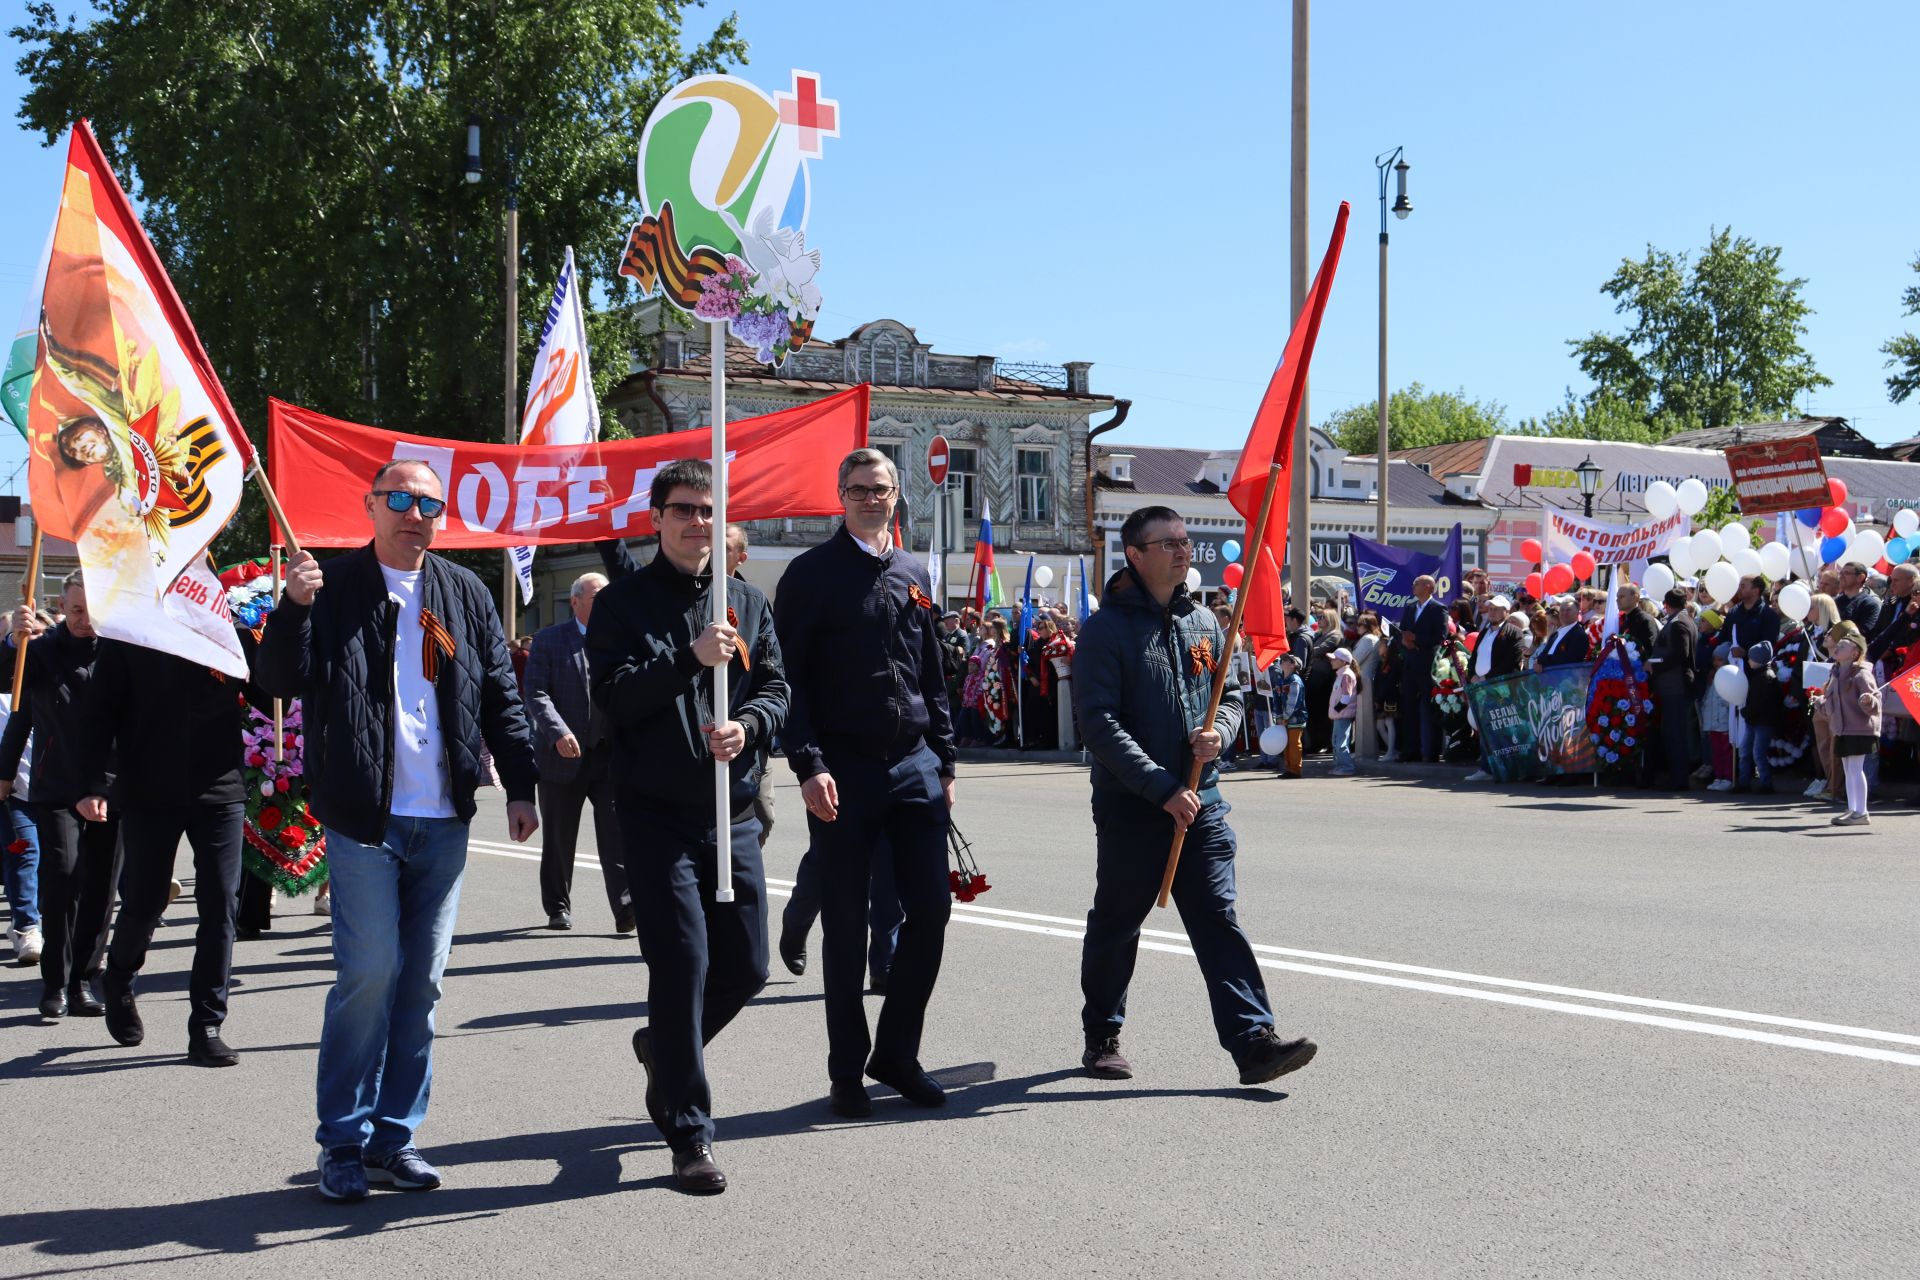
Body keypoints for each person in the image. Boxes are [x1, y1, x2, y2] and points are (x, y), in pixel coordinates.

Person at [259, 458, 540, 1203]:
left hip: (443, 819)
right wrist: (290, 609)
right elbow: (278, 682)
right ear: (371, 505)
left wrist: (522, 784)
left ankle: (396, 1138)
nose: (416, 513)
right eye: (400, 499)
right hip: (362, 819)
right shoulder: (333, 589)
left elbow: (499, 692)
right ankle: (341, 1142)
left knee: (421, 985)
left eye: (429, 502)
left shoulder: (464, 591)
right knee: (370, 973)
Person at [585, 459, 786, 1195]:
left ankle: (662, 1051)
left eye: (708, 510)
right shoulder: (622, 605)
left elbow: (776, 686)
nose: (698, 522)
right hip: (655, 815)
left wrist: (751, 725)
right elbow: (614, 696)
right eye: (684, 510)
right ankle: (690, 1133)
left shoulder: (746, 602)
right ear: (658, 517)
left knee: (749, 968)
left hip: (730, 812)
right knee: (680, 967)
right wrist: (687, 659)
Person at [1074, 504, 1315, 1087]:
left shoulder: (1206, 623)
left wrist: (1221, 732)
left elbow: (1229, 695)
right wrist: (1161, 788)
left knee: (1216, 918)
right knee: (1118, 922)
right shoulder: (1106, 630)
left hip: (1202, 805)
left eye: (1185, 542)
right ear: (1135, 555)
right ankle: (1102, 1034)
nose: (1184, 552)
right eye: (1168, 544)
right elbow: (1099, 725)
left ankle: (1253, 1041)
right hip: (1135, 808)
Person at [774, 447, 957, 1119]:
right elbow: (785, 681)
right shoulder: (810, 574)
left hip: (913, 766)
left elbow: (931, 671)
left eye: (879, 488)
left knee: (930, 913)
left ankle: (897, 1054)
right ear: (839, 494)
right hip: (842, 770)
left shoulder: (912, 571)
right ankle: (847, 1072)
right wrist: (808, 764)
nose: (869, 498)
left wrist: (946, 759)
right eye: (857, 488)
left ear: (895, 494)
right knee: (847, 929)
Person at [73, 621, 264, 1066]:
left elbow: (274, 693)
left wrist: (288, 623)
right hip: (148, 792)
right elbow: (99, 714)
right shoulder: (130, 636)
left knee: (220, 904)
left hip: (220, 790)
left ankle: (207, 1025)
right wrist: (92, 784)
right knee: (145, 901)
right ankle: (119, 976)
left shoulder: (229, 634)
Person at [4, 573, 119, 1020]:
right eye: (75, 611)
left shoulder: (122, 651)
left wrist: (103, 789)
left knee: (101, 890)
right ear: (61, 605)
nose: (85, 620)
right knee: (64, 877)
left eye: (93, 611)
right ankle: (54, 981)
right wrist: (15, 641)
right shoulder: (42, 650)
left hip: (111, 789)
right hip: (55, 787)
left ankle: (84, 980)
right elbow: (16, 702)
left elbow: (132, 727)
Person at [525, 572, 632, 935]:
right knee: (559, 838)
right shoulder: (550, 640)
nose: (605, 601)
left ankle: (625, 908)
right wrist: (558, 732)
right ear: (576, 602)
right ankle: (557, 907)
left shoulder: (619, 640)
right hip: (562, 757)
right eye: (597, 595)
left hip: (609, 756)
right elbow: (536, 693)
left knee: (617, 836)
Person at [1816, 631, 1879, 827]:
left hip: (1859, 729)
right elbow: (1832, 702)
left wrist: (1868, 701)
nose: (1836, 648)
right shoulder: (1834, 673)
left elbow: (1875, 701)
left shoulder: (1861, 674)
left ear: (1854, 653)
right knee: (1847, 769)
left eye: (1842, 646)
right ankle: (1853, 809)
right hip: (1841, 728)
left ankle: (1861, 811)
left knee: (1855, 769)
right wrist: (1820, 703)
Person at [0, 692, 43, 967]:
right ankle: (27, 928)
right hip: (12, 792)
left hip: (52, 787)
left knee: (59, 860)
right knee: (25, 853)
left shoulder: (40, 681)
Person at [1463, 595, 1525, 782]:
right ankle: (1486, 769)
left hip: (1500, 689)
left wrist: (1487, 677)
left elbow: (1512, 661)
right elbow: (1474, 657)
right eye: (1490, 609)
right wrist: (1472, 674)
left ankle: (1506, 769)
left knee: (1503, 729)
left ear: (1507, 612)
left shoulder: (1514, 632)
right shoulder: (1484, 632)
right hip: (1480, 688)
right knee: (1484, 728)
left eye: (1497, 609)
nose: (1493, 612)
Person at [1646, 588, 1699, 790]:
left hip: (1675, 685)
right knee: (1673, 732)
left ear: (1666, 604)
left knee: (1675, 733)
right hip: (1673, 684)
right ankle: (1677, 777)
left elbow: (1680, 654)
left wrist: (1654, 665)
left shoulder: (1678, 624)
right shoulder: (1682, 621)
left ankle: (1679, 779)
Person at [1397, 575, 1448, 761]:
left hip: (1427, 663)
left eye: (1416, 583)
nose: (1413, 586)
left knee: (1428, 707)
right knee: (1409, 706)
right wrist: (1405, 642)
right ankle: (1410, 750)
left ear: (1428, 586)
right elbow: (1403, 631)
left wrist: (1416, 640)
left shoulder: (1438, 608)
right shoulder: (1410, 608)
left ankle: (1430, 751)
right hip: (1410, 663)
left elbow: (1440, 636)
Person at [1736, 640, 1781, 794]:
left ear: (1759, 660)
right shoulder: (1759, 675)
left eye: (1751, 658)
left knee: (1758, 753)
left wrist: (1746, 712)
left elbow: (1761, 703)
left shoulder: (1766, 677)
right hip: (1754, 720)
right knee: (1745, 751)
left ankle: (1765, 783)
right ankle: (1743, 782)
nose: (1748, 660)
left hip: (1763, 721)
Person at [1701, 644, 1736, 792]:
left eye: (1720, 660)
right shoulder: (1712, 676)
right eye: (1714, 659)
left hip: (1724, 722)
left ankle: (1728, 777)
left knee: (1726, 752)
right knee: (1716, 752)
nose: (1716, 663)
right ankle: (1719, 776)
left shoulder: (1730, 677)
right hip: (1712, 722)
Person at [1350, 613, 1384, 761]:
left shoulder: (1368, 639)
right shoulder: (1373, 639)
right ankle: (1363, 752)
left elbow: (1354, 659)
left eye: (1360, 624)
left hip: (1365, 680)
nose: (1357, 627)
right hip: (1367, 679)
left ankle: (1365, 753)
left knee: (1365, 718)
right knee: (1364, 717)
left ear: (1368, 626)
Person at [1535, 596, 1592, 669]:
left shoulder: (1579, 635)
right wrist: (1538, 662)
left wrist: (1543, 662)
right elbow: (1543, 653)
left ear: (1577, 613)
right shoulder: (1555, 634)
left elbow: (1567, 660)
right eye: (1562, 610)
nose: (1564, 613)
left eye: (1568, 610)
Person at [1274, 654, 1306, 777]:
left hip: (1296, 718)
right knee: (1286, 743)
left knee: (1294, 744)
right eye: (1281, 660)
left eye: (1286, 660)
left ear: (1293, 665)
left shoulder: (1295, 681)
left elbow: (1294, 702)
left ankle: (1295, 769)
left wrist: (1285, 717)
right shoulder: (1281, 680)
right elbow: (1276, 699)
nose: (1281, 662)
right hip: (1285, 719)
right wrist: (1279, 716)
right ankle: (1288, 768)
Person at [1327, 647, 1358, 776]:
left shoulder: (1346, 675)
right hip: (1339, 715)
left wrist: (1336, 709)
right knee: (1336, 741)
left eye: (1335, 659)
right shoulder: (1341, 674)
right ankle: (1340, 766)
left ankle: (1347, 767)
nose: (1331, 661)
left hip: (1342, 715)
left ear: (1343, 662)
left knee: (1341, 742)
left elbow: (1346, 697)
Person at [1834, 562, 1883, 636]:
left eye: (1846, 573)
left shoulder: (1870, 604)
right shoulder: (1837, 601)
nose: (1841, 576)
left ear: (1860, 577)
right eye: (1841, 573)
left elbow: (1863, 633)